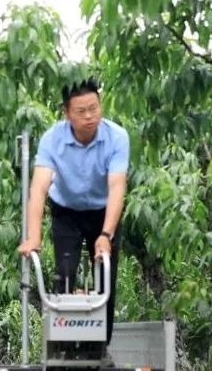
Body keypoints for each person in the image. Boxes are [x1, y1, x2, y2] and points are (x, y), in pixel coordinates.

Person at [18, 78, 129, 345]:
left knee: (105, 276)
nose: (89, 116)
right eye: (81, 111)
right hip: (66, 211)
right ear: (66, 113)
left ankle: (100, 348)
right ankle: (63, 345)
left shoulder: (117, 137)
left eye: (94, 108)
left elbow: (117, 188)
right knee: (65, 273)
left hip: (103, 212)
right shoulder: (52, 140)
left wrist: (106, 235)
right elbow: (39, 189)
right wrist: (34, 237)